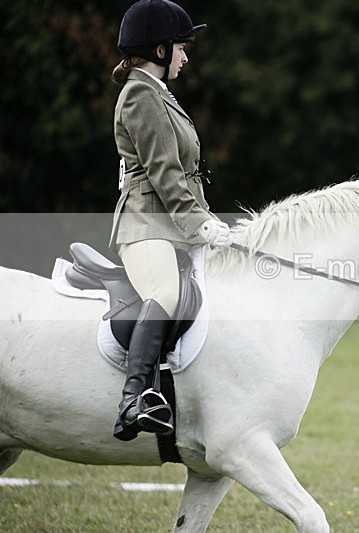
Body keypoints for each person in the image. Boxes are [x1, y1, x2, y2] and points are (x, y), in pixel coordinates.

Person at [109, 0, 230, 441]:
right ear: (160, 50)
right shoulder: (140, 94)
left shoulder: (158, 93)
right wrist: (199, 223)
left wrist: (205, 219)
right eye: (181, 48)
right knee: (166, 291)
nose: (185, 58)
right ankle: (133, 400)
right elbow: (164, 171)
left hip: (170, 222)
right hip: (145, 222)